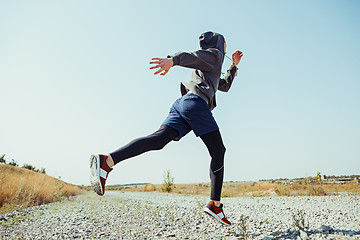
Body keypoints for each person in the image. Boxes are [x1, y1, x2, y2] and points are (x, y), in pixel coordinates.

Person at [90, 31, 243, 226]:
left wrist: (233, 66)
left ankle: (107, 160)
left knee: (158, 140)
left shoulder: (211, 66)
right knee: (219, 151)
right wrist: (174, 60)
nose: (227, 48)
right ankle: (215, 204)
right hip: (196, 103)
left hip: (183, 103)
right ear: (220, 44)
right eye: (226, 44)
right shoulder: (215, 55)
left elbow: (224, 85)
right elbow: (195, 56)